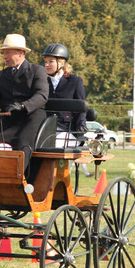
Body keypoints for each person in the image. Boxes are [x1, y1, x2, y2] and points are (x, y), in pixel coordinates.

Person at [0, 34, 49, 172]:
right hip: (8, 117)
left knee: (22, 143)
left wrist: (23, 106)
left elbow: (42, 95)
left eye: (7, 53)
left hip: (31, 116)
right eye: (4, 53)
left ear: (20, 53)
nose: (4, 57)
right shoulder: (1, 75)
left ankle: (20, 177)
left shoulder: (37, 71)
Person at [41, 42, 91, 176]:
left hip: (67, 130)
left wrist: (81, 125)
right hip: (45, 129)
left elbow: (81, 106)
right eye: (45, 62)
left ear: (61, 63)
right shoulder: (42, 82)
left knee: (54, 145)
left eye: (50, 61)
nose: (46, 65)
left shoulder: (75, 82)